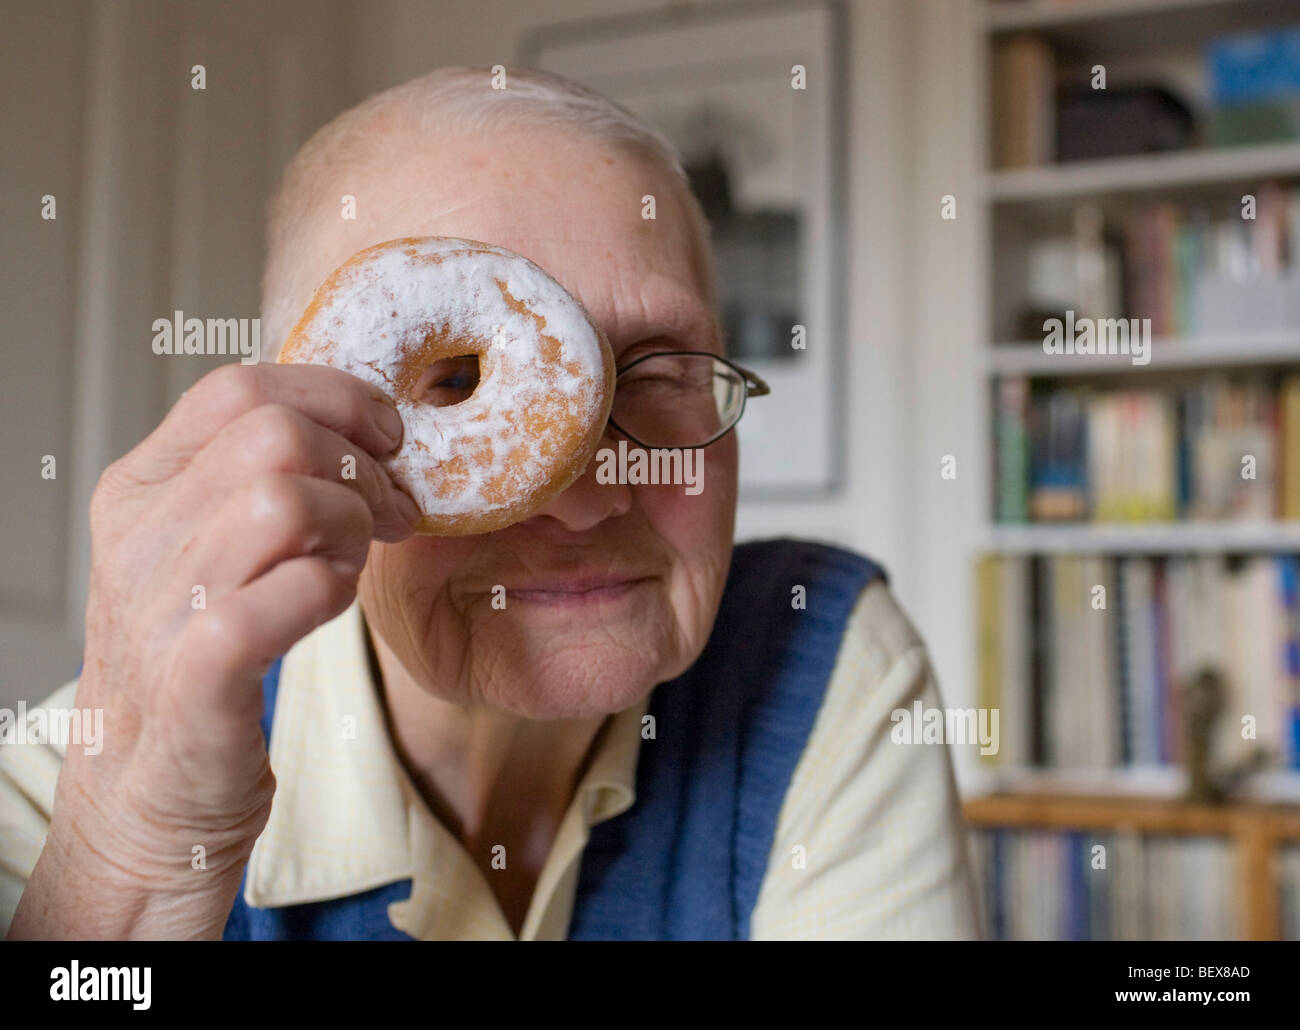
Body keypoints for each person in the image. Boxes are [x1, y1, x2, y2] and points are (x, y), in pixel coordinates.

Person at [2, 65, 979, 940]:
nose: (589, 499)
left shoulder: (820, 671)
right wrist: (133, 857)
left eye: (657, 371)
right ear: (302, 436)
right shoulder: (66, 795)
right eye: (457, 381)